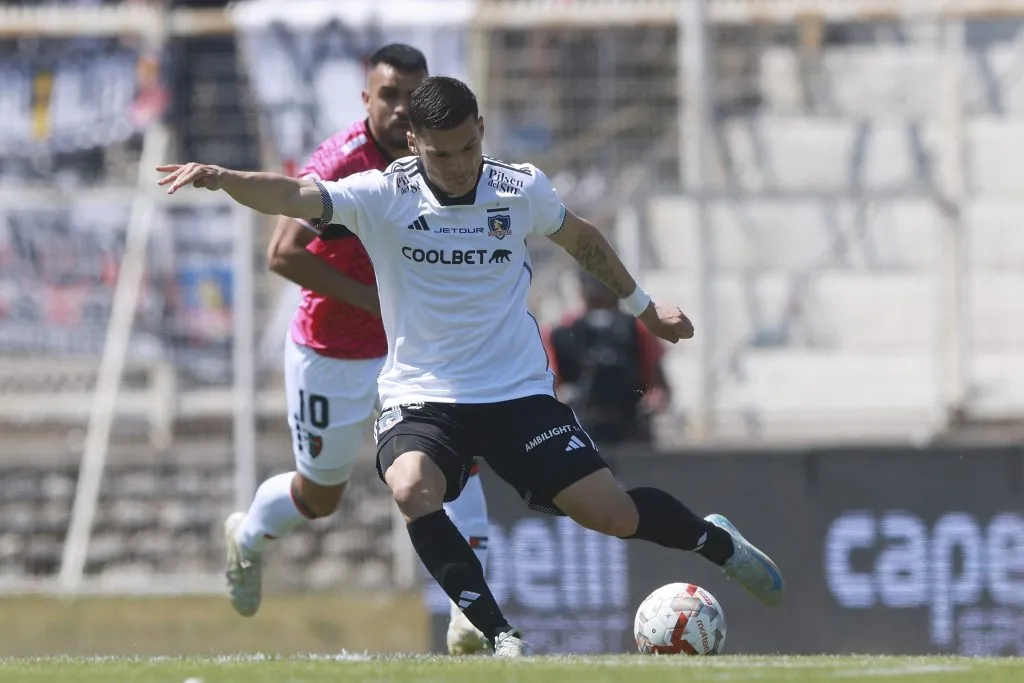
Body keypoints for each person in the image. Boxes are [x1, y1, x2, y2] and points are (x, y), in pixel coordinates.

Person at [157, 75, 786, 658]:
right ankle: (498, 633)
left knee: (614, 516)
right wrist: (223, 177)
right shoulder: (383, 194)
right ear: (413, 142)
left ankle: (717, 542)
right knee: (409, 487)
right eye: (441, 154)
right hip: (421, 396)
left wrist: (644, 308)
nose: (457, 167)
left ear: (481, 130)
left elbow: (581, 238)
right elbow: (293, 194)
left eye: (466, 148)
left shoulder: (520, 189)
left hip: (517, 394)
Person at [219, 46, 491, 655]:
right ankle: (252, 535)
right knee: (320, 495)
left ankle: (471, 610)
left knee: (457, 460)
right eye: (388, 95)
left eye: (411, 96)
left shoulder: (445, 159)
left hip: (413, 351)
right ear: (366, 100)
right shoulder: (342, 163)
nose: (400, 108)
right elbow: (282, 254)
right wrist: (377, 301)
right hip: (333, 350)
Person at [545, 270, 672, 446]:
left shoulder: (637, 329)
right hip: (581, 426)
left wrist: (653, 400)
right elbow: (550, 386)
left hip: (629, 425)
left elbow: (657, 384)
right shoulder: (563, 332)